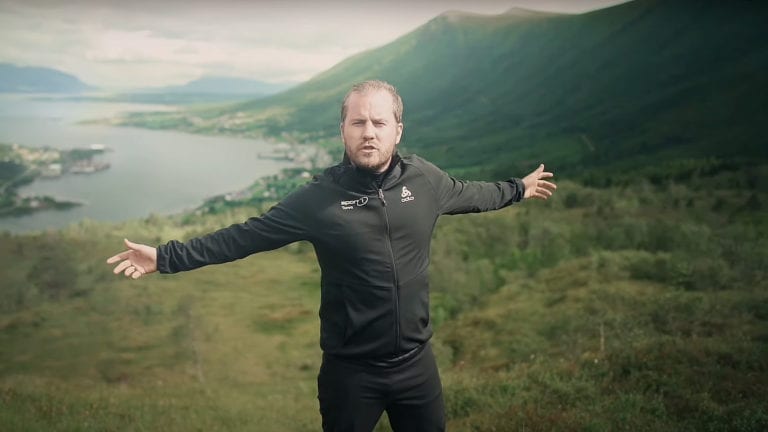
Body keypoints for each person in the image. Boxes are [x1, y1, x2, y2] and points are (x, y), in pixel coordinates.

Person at [107, 80, 556, 432]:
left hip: (417, 367)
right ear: (343, 130)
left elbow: (473, 193)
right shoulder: (318, 200)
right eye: (358, 122)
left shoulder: (425, 181)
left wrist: (518, 188)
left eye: (379, 123)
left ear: (398, 130)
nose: (369, 133)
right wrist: (165, 257)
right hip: (350, 374)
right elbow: (244, 237)